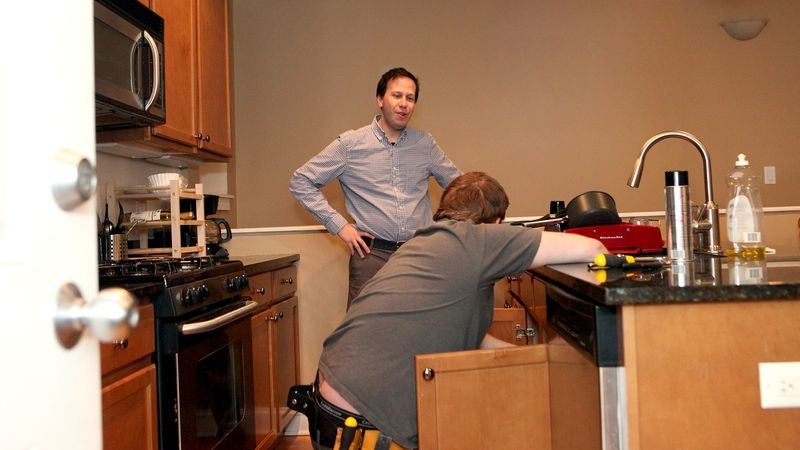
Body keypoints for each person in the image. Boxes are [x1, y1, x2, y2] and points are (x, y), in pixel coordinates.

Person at [292, 172, 608, 450]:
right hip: (365, 423)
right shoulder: (480, 239)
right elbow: (591, 249)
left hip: (329, 400)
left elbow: (461, 333)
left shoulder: (423, 243)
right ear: (497, 222)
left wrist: (532, 361)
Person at [289, 67, 461, 307]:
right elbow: (301, 181)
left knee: (421, 333)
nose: (404, 104)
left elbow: (459, 187)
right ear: (380, 99)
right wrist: (340, 226)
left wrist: (454, 225)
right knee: (366, 337)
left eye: (410, 98)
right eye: (397, 95)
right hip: (371, 258)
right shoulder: (350, 144)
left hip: (420, 255)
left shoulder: (425, 144)